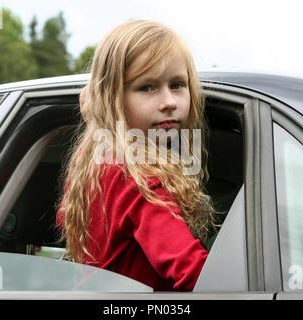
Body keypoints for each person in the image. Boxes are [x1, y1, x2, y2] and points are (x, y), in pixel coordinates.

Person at [56, 19, 216, 291]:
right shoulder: (136, 179)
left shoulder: (96, 160)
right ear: (114, 98)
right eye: (147, 87)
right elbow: (195, 274)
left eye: (177, 84)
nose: (169, 102)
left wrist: (96, 113)